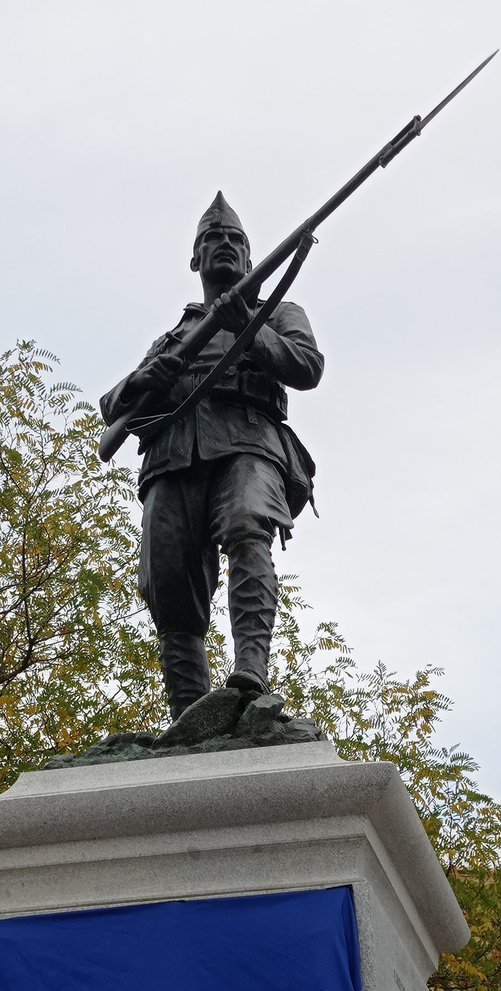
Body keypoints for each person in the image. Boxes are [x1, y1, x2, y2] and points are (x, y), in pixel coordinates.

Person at [100, 193, 324, 721]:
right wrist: (142, 380)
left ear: (249, 259)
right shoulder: (172, 337)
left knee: (249, 524)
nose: (225, 245)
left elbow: (308, 366)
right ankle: (188, 716)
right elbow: (112, 407)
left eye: (235, 240)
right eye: (212, 240)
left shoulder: (278, 309)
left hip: (248, 441)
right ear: (195, 260)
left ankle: (250, 672)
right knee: (171, 585)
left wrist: (251, 325)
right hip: (172, 458)